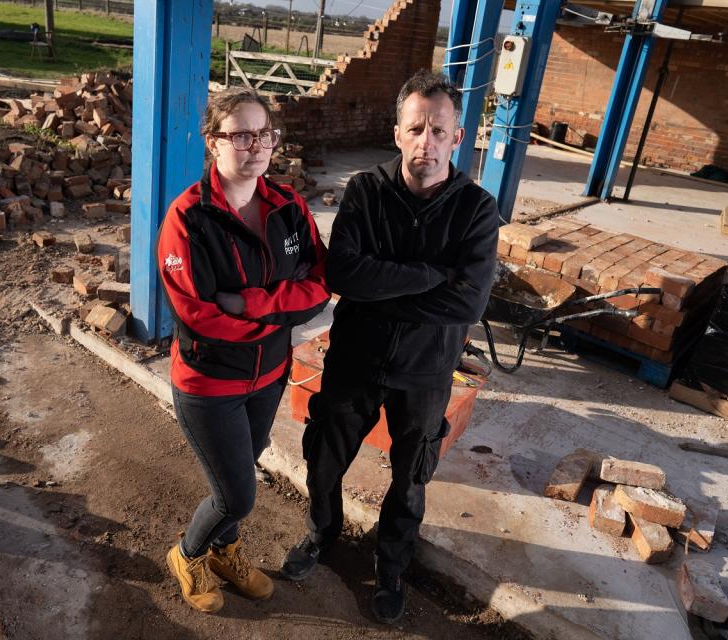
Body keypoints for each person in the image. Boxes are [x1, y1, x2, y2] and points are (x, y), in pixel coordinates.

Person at [280, 70, 500, 624]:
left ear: (457, 135)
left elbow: (468, 305)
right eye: (416, 128)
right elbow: (346, 275)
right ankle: (321, 532)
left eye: (438, 129)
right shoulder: (365, 190)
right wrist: (431, 275)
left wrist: (385, 287)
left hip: (426, 373)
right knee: (324, 460)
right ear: (398, 133)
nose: (426, 140)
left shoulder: (475, 208)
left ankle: (391, 566)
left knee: (410, 478)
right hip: (355, 360)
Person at [157, 88, 330, 613]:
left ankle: (223, 550)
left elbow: (321, 283)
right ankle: (187, 553)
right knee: (237, 493)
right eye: (241, 134)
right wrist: (281, 315)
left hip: (269, 376)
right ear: (213, 142)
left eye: (265, 134)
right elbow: (200, 316)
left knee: (241, 467)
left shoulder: (288, 206)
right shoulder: (188, 217)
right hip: (209, 383)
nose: (256, 146)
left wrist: (252, 302)